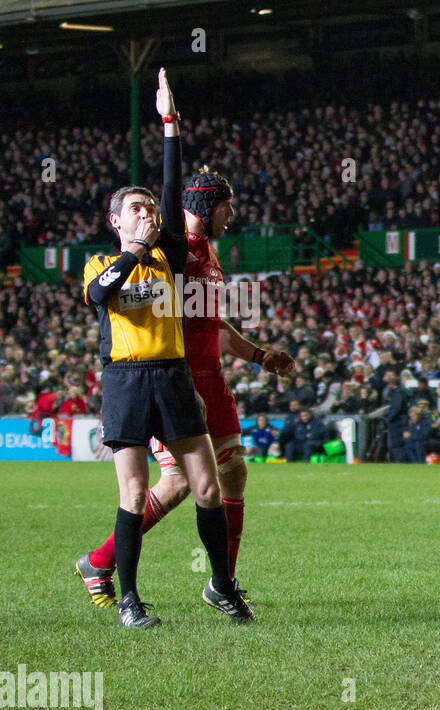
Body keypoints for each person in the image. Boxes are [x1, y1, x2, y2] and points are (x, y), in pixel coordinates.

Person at [75, 163, 296, 613]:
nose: (231, 215)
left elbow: (210, 325)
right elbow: (143, 312)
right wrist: (170, 126)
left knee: (227, 474)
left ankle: (221, 580)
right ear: (206, 206)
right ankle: (106, 564)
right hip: (170, 382)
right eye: (226, 206)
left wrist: (257, 354)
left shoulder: (209, 256)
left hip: (210, 379)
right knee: (181, 482)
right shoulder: (172, 254)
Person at [78, 68, 252, 627]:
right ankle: (128, 598)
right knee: (135, 493)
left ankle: (223, 585)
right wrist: (132, 252)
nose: (149, 213)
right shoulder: (102, 264)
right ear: (115, 220)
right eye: (137, 209)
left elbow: (176, 189)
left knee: (205, 485)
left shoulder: (172, 255)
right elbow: (102, 295)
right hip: (127, 381)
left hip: (174, 376)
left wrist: (170, 124)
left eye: (152, 209)